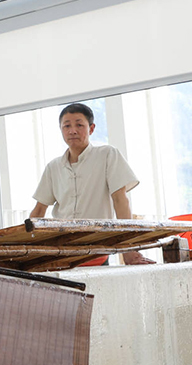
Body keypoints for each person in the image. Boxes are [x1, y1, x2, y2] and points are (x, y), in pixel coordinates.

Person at [29, 102, 154, 265]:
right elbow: (39, 210)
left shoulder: (107, 155)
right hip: (62, 251)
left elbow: (120, 200)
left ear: (91, 128)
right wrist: (29, 250)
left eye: (79, 125)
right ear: (61, 130)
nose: (72, 130)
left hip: (97, 249)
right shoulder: (53, 167)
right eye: (67, 126)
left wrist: (128, 249)